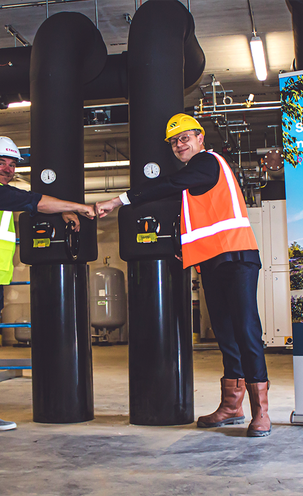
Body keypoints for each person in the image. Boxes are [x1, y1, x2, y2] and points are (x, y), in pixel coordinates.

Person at [95, 114, 270, 437]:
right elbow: (196, 218)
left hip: (237, 258)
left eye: (184, 138)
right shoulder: (195, 177)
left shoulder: (207, 162)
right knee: (226, 334)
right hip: (213, 262)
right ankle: (232, 406)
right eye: (174, 142)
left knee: (246, 331)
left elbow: (168, 185)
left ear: (200, 138)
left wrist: (118, 201)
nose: (178, 145)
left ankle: (261, 412)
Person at [0, 136, 96, 439]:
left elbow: (30, 204)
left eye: (11, 164)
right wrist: (80, 208)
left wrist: (60, 213)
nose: (7, 168)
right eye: (1, 162)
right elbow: (34, 201)